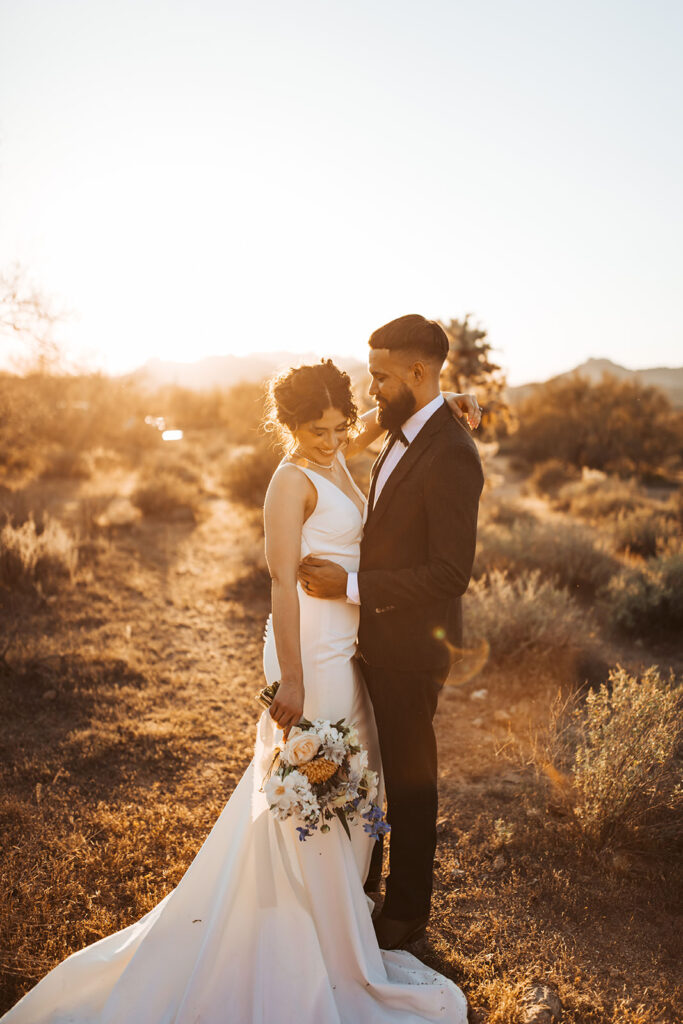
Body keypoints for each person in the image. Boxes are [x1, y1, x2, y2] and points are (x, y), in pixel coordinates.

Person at [1, 350, 479, 1024]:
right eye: (320, 430)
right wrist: (290, 677)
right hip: (309, 648)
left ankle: (332, 922)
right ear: (289, 426)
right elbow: (282, 584)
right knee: (318, 783)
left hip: (348, 648)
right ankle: (301, 938)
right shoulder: (289, 482)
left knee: (347, 782)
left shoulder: (337, 450)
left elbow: (385, 422)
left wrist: (447, 403)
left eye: (341, 425)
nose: (336, 437)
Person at [298, 315, 485, 952]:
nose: (370, 385)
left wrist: (349, 589)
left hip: (411, 649)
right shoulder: (407, 424)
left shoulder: (455, 454)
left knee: (410, 778)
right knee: (373, 767)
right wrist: (448, 399)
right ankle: (363, 880)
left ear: (415, 372)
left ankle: (406, 911)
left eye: (380, 375)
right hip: (369, 639)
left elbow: (450, 573)